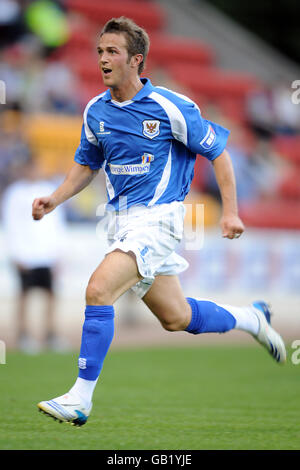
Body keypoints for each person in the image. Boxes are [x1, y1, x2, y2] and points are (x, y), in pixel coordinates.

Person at [33, 17, 286, 427]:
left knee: (98, 290)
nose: (103, 59)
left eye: (112, 51)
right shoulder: (95, 111)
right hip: (120, 222)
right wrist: (54, 199)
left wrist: (231, 210)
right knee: (177, 318)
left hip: (161, 218)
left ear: (137, 60)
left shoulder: (171, 107)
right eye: (100, 51)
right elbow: (85, 165)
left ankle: (80, 398)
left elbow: (218, 152)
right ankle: (252, 318)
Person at [2, 159, 66, 352]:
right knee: (24, 295)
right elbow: (10, 224)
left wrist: (58, 253)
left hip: (46, 252)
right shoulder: (14, 193)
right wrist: (16, 253)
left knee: (52, 295)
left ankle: (50, 333)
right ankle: (23, 335)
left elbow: (57, 224)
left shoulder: (49, 190)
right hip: (26, 254)